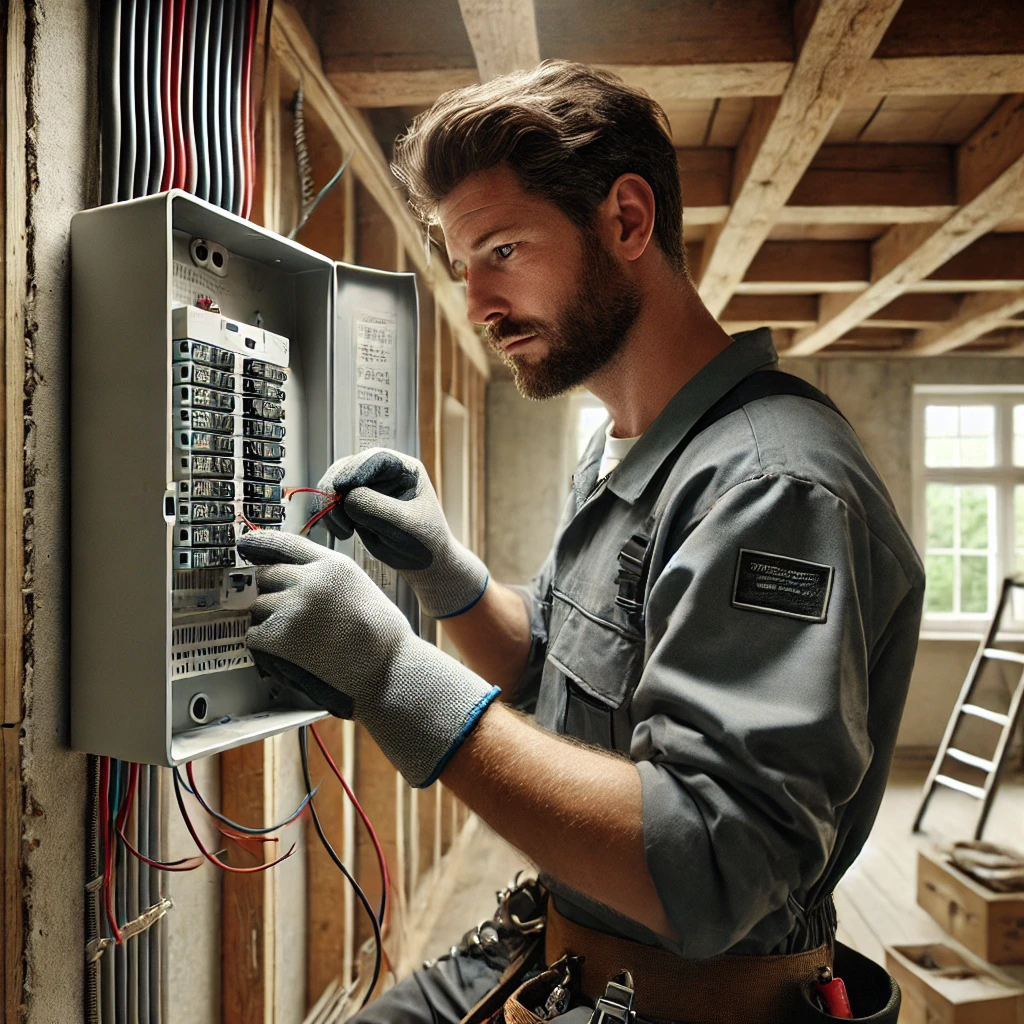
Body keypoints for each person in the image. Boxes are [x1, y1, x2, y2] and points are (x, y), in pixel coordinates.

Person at [237, 61, 923, 1024]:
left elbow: (712, 868)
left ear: (628, 222)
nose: (476, 303)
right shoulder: (622, 449)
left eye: (504, 250)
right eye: (463, 264)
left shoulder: (771, 486)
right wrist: (447, 574)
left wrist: (395, 676)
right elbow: (551, 676)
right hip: (556, 959)